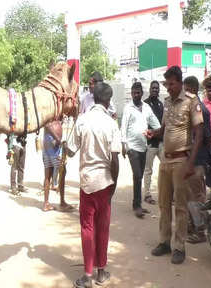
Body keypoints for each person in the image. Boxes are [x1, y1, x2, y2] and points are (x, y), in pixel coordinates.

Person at [63, 82, 120, 288]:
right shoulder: (112, 123)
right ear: (108, 100)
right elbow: (115, 160)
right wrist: (113, 186)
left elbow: (70, 151)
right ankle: (101, 272)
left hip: (87, 183)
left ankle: (87, 275)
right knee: (103, 227)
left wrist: (63, 143)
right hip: (105, 182)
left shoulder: (82, 120)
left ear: (93, 97)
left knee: (87, 227)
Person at [149, 66, 204, 264]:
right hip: (165, 158)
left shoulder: (191, 102)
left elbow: (199, 135)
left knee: (180, 206)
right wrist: (153, 133)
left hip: (182, 160)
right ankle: (164, 242)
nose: (169, 88)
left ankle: (179, 246)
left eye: (171, 84)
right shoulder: (167, 103)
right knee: (164, 204)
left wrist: (191, 163)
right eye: (167, 84)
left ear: (180, 82)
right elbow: (164, 128)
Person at [121, 82, 161, 218]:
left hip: (144, 147)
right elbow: (123, 127)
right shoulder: (128, 108)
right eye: (134, 93)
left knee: (139, 176)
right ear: (131, 93)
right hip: (132, 147)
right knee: (137, 175)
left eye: (138, 92)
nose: (136, 95)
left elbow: (156, 124)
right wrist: (124, 145)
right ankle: (137, 206)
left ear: (142, 93)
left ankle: (137, 203)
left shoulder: (147, 108)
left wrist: (155, 131)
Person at [183, 76, 211, 244]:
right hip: (191, 160)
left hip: (197, 161)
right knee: (189, 195)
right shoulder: (193, 108)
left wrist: (204, 159)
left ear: (193, 90)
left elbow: (205, 138)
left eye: (186, 90)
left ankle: (200, 231)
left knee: (197, 196)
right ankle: (192, 226)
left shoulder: (200, 110)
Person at [41, 120, 73, 212]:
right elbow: (47, 125)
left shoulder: (53, 116)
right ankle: (62, 202)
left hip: (47, 151)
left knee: (48, 176)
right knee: (62, 173)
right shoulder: (51, 116)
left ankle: (46, 203)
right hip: (53, 152)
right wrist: (58, 140)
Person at [143, 80, 165, 205]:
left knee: (166, 167)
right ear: (150, 89)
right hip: (150, 143)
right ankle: (147, 194)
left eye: (157, 88)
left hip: (161, 142)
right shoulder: (145, 104)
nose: (155, 90)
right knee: (148, 170)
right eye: (153, 88)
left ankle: (168, 194)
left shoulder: (161, 105)